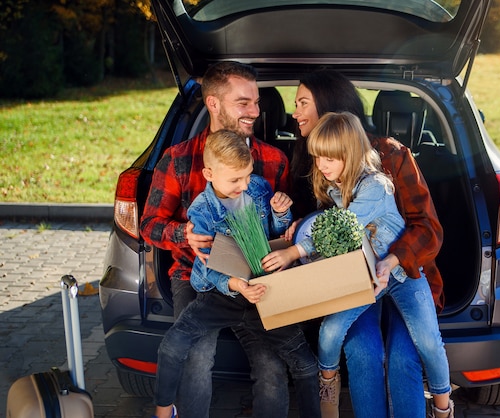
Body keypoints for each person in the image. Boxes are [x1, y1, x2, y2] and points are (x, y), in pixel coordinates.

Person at [140, 61, 305, 418]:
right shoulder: (179, 159)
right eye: (243, 102)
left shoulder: (274, 160)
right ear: (213, 103)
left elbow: (283, 232)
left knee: (273, 367)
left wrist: (284, 216)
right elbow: (149, 226)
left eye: (257, 102)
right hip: (194, 277)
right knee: (196, 357)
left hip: (258, 279)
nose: (255, 111)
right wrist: (182, 233)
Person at [263, 112, 452, 418]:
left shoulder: (377, 185)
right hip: (366, 275)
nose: (321, 166)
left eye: (329, 158)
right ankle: (328, 385)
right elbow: (326, 225)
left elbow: (339, 224)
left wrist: (293, 252)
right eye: (318, 157)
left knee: (428, 340)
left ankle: (444, 407)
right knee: (330, 332)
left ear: (349, 153)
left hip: (402, 274)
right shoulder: (335, 186)